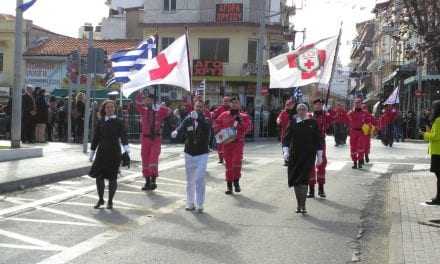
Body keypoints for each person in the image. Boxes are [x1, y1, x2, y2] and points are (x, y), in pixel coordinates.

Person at [282, 103, 323, 214]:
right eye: (299, 109)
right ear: (297, 111)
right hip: (295, 155)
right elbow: (286, 138)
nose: (301, 111)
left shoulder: (313, 123)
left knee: (304, 179)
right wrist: (285, 151)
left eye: (303, 109)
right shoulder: (293, 122)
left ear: (307, 111)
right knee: (296, 180)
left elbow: (318, 139)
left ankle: (303, 205)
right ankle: (298, 205)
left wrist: (320, 155)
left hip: (308, 155)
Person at [89, 100, 129, 209]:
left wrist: (127, 151)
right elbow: (96, 138)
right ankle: (101, 199)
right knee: (99, 177)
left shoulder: (119, 122)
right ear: (104, 109)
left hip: (114, 152)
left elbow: (124, 137)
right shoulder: (101, 121)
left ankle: (110, 201)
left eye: (111, 107)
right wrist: (92, 153)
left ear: (114, 109)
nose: (110, 109)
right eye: (107, 107)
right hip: (101, 152)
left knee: (112, 178)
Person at [172, 100, 211, 213]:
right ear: (194, 107)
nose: (198, 108)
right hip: (189, 152)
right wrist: (176, 131)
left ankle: (199, 204)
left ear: (203, 108)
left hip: (202, 153)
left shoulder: (206, 119)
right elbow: (181, 127)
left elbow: (207, 128)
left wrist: (198, 118)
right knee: (190, 180)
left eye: (200, 107)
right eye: (197, 106)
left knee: (199, 179)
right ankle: (190, 203)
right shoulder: (188, 119)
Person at [214, 97, 252, 194]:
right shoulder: (224, 115)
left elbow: (248, 129)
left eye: (236, 103)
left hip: (238, 143)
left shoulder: (244, 116)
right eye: (233, 103)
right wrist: (220, 132)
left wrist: (241, 122)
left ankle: (236, 182)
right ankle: (229, 186)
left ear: (239, 104)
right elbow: (216, 125)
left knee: (236, 163)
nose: (234, 104)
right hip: (227, 143)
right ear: (230, 104)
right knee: (229, 165)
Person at [135, 92, 171, 191]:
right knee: (145, 160)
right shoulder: (144, 110)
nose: (146, 101)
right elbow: (137, 103)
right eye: (145, 99)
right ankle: (147, 181)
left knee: (153, 160)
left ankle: (153, 181)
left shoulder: (159, 111)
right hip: (145, 138)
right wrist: (140, 93)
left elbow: (168, 112)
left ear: (152, 100)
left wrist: (160, 106)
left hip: (156, 139)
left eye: (148, 99)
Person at [308, 99, 333, 198]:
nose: (318, 106)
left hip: (321, 142)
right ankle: (311, 190)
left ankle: (321, 189)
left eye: (320, 105)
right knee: (310, 165)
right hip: (310, 142)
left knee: (321, 164)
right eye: (316, 105)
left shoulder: (325, 115)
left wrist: (328, 113)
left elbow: (331, 123)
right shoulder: (309, 116)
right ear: (313, 106)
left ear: (322, 106)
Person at [422, 100, 440, 205]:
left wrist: (424, 134)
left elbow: (435, 136)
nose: (432, 110)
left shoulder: (438, 120)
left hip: (438, 152)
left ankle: (438, 198)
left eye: (433, 108)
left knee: (439, 176)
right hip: (437, 151)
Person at [347, 98, 369, 169]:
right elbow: (346, 118)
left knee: (360, 148)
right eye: (356, 103)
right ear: (354, 104)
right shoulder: (351, 113)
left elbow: (368, 121)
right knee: (353, 148)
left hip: (361, 132)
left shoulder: (364, 113)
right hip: (353, 132)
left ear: (361, 104)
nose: (357, 104)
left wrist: (369, 128)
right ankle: (354, 162)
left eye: (359, 103)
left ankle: (360, 161)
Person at [211, 96, 231, 164]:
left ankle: (227, 158)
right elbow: (214, 117)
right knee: (220, 146)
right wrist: (215, 127)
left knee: (228, 146)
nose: (226, 102)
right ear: (223, 102)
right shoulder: (219, 109)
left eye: (227, 101)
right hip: (220, 131)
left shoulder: (232, 109)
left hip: (229, 131)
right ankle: (221, 159)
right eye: (225, 101)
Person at [277, 99, 296, 166]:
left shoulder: (295, 113)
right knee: (285, 147)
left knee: (292, 146)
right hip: (285, 132)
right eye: (288, 105)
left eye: (291, 105)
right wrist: (278, 121)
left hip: (293, 133)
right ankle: (286, 160)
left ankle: (291, 160)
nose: (289, 106)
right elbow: (279, 119)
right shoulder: (283, 112)